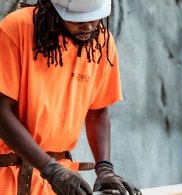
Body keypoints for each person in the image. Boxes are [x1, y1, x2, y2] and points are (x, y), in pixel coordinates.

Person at [0, 0, 141, 194]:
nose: (89, 26)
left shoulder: (101, 43)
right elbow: (1, 111)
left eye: (94, 17)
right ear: (54, 9)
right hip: (7, 177)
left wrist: (105, 168)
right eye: (77, 20)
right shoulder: (17, 27)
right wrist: (49, 169)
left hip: (59, 180)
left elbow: (97, 111)